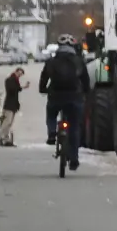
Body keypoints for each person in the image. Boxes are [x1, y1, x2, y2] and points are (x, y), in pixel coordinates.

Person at [38, 34, 89, 167]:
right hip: (74, 97)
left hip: (56, 95)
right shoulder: (79, 61)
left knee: (51, 113)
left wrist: (43, 89)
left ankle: (51, 134)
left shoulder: (51, 61)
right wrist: (86, 92)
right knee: (75, 126)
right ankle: (74, 158)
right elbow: (85, 80)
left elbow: (44, 78)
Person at [0, 68, 23, 147]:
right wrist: (20, 87)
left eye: (21, 75)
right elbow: (12, 90)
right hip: (9, 105)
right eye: (19, 74)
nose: (19, 76)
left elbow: (17, 90)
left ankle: (6, 139)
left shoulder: (16, 80)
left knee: (9, 123)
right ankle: (1, 137)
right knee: (7, 122)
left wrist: (22, 87)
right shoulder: (10, 80)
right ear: (15, 72)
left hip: (13, 105)